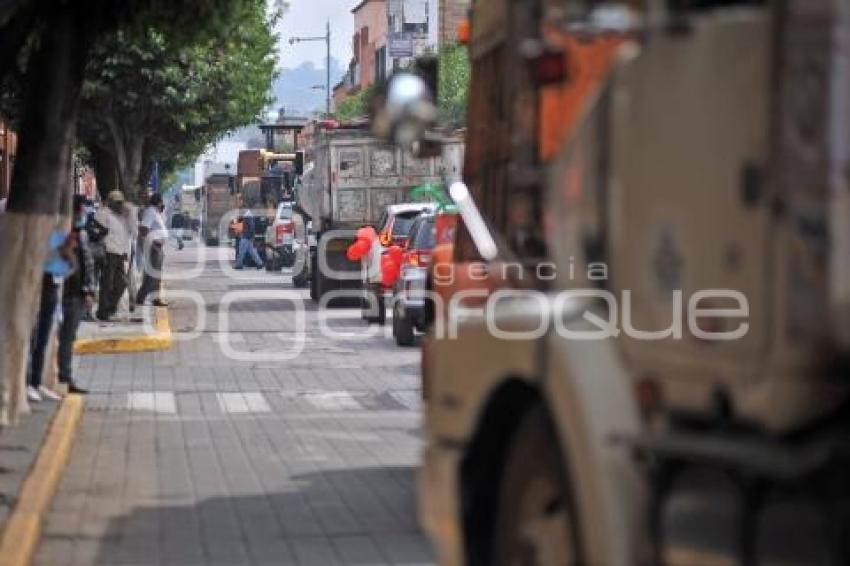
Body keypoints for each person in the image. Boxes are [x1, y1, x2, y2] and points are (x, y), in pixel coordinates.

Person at [27, 229, 75, 403]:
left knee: (43, 340)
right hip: (39, 289)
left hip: (52, 289)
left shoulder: (58, 231)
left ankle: (36, 381)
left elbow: (66, 268)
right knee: (33, 339)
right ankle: (28, 383)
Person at [58, 196, 95, 395]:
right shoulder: (62, 233)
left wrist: (88, 290)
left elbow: (86, 264)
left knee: (68, 338)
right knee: (63, 338)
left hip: (78, 294)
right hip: (67, 295)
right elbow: (66, 266)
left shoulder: (80, 234)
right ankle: (63, 377)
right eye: (81, 210)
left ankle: (65, 375)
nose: (83, 214)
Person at [94, 191, 131, 321]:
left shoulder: (121, 217)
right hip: (108, 253)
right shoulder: (103, 214)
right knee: (107, 283)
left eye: (121, 202)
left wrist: (125, 252)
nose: (120, 205)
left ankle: (110, 308)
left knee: (122, 283)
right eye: (117, 203)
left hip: (120, 253)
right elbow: (100, 231)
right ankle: (103, 312)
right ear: (110, 202)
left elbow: (123, 235)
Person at [136, 193, 168, 306]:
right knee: (153, 274)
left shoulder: (156, 212)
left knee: (156, 274)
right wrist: (152, 244)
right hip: (153, 247)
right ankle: (141, 297)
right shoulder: (150, 212)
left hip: (158, 246)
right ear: (159, 202)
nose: (163, 204)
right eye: (161, 202)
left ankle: (155, 298)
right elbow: (144, 229)